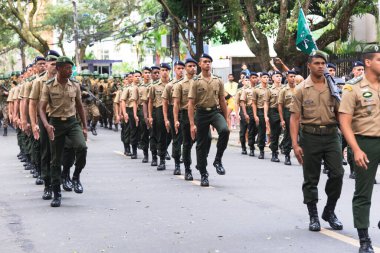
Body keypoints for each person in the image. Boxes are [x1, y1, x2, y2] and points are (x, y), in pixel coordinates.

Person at [290, 50, 344, 232]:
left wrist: (348, 140)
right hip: (310, 136)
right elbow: (295, 118)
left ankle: (329, 210)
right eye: (317, 63)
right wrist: (295, 144)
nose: (321, 66)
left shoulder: (333, 87)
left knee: (337, 174)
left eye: (323, 63)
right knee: (311, 178)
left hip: (331, 136)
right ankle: (313, 215)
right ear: (309, 66)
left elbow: (339, 114)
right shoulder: (301, 89)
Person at [339, 44, 380, 253]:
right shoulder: (352, 88)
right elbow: (345, 122)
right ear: (368, 62)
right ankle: (364, 239)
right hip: (366, 142)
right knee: (363, 193)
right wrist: (355, 149)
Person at [39, 56, 88, 207]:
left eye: (70, 68)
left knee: (82, 147)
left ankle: (76, 176)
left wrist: (85, 127)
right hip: (55, 123)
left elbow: (80, 106)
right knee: (55, 160)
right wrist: (46, 125)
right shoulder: (48, 85)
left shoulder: (75, 85)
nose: (70, 71)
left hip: (72, 123)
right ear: (59, 69)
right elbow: (41, 108)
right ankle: (56, 193)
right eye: (67, 68)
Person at [188, 53, 229, 187]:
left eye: (209, 62)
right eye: (205, 62)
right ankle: (203, 174)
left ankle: (217, 160)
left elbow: (223, 100)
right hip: (201, 114)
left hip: (214, 112)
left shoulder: (218, 80)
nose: (207, 64)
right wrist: (192, 124)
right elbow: (191, 104)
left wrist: (227, 119)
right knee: (201, 144)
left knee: (224, 130)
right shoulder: (195, 81)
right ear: (200, 64)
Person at [173, 58, 198, 180]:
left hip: (200, 115)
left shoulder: (201, 81)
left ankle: (201, 162)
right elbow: (176, 104)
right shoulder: (180, 84)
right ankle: (187, 169)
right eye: (190, 66)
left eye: (194, 65)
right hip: (185, 115)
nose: (193, 68)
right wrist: (176, 119)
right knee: (186, 142)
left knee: (205, 139)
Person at [162, 60, 185, 174]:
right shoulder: (170, 85)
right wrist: (166, 119)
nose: (181, 70)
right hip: (173, 112)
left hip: (186, 111)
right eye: (179, 68)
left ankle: (181, 155)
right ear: (175, 70)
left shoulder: (189, 83)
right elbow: (165, 103)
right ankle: (177, 164)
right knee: (176, 137)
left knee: (188, 137)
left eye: (182, 68)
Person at [148, 63, 171, 171]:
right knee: (161, 134)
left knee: (171, 134)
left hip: (171, 110)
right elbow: (150, 101)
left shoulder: (174, 84)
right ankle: (161, 160)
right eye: (162, 70)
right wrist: (150, 116)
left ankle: (163, 150)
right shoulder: (154, 86)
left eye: (166, 70)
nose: (164, 72)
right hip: (159, 111)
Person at [278, 70, 297, 165]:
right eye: (291, 76)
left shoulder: (299, 89)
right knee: (289, 134)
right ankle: (287, 155)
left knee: (302, 134)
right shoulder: (283, 90)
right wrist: (282, 119)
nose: (293, 78)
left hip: (298, 113)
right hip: (288, 112)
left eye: (294, 76)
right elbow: (280, 105)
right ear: (287, 78)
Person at [121, 71, 141, 159]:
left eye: (139, 76)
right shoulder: (128, 88)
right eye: (136, 76)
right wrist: (124, 113)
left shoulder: (143, 87)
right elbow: (122, 101)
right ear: (132, 77)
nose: (138, 78)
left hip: (141, 110)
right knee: (130, 130)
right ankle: (130, 149)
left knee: (140, 131)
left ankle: (138, 147)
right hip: (130, 110)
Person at [264, 71, 283, 162]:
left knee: (285, 132)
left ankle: (283, 147)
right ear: (273, 78)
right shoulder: (270, 89)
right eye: (277, 76)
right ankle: (274, 153)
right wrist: (266, 115)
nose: (279, 78)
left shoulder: (285, 88)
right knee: (275, 132)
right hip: (273, 111)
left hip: (284, 111)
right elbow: (266, 103)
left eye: (280, 76)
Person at [240, 72, 259, 156]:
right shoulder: (246, 90)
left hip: (258, 109)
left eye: (256, 78)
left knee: (256, 129)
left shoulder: (259, 89)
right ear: (250, 79)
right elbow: (242, 102)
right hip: (248, 109)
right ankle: (248, 147)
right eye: (253, 78)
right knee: (246, 130)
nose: (255, 79)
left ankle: (251, 143)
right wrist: (245, 113)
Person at [252, 73, 270, 159]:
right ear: (260, 78)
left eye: (267, 77)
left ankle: (274, 150)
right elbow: (254, 103)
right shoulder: (256, 89)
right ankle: (261, 150)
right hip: (260, 111)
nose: (266, 79)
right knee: (261, 132)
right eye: (264, 77)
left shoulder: (271, 88)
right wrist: (255, 115)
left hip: (271, 110)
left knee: (272, 131)